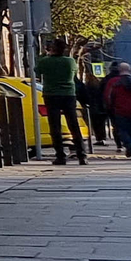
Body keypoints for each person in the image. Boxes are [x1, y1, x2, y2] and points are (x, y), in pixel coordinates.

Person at [34, 38, 86, 166]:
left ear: (52, 49)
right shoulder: (70, 62)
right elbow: (74, 74)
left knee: (55, 126)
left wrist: (45, 55)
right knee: (73, 125)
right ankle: (82, 155)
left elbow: (37, 70)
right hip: (69, 95)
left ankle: (60, 156)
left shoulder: (46, 61)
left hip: (51, 95)